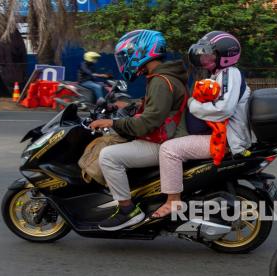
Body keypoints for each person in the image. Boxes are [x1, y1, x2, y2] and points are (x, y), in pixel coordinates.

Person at [89, 30, 188, 231]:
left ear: (142, 52)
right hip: (165, 138)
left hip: (162, 142)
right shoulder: (163, 76)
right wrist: (122, 106)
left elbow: (147, 123)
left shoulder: (161, 81)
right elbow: (153, 108)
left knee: (108, 156)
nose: (124, 61)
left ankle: (127, 210)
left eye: (126, 56)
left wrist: (111, 123)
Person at [152, 31, 252, 218]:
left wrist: (192, 104)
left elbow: (222, 109)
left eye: (209, 54)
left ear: (225, 56)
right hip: (221, 134)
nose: (204, 58)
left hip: (227, 139)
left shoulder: (231, 73)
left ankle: (173, 201)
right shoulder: (220, 74)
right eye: (203, 53)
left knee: (168, 149)